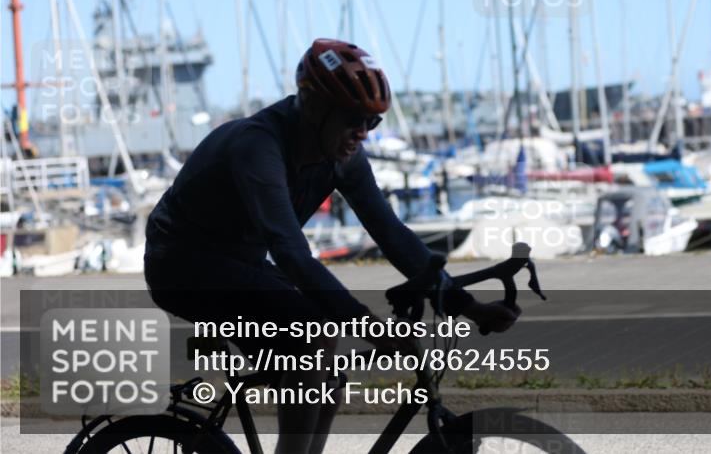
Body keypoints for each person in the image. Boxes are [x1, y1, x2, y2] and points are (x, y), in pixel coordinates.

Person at [144, 39, 519, 454]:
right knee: (315, 336)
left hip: (238, 264)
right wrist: (366, 324)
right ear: (313, 106)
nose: (362, 133)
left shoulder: (342, 156)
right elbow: (290, 252)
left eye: (371, 122)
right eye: (353, 119)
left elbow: (391, 233)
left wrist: (469, 307)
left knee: (327, 376)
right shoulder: (257, 145)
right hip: (181, 265)